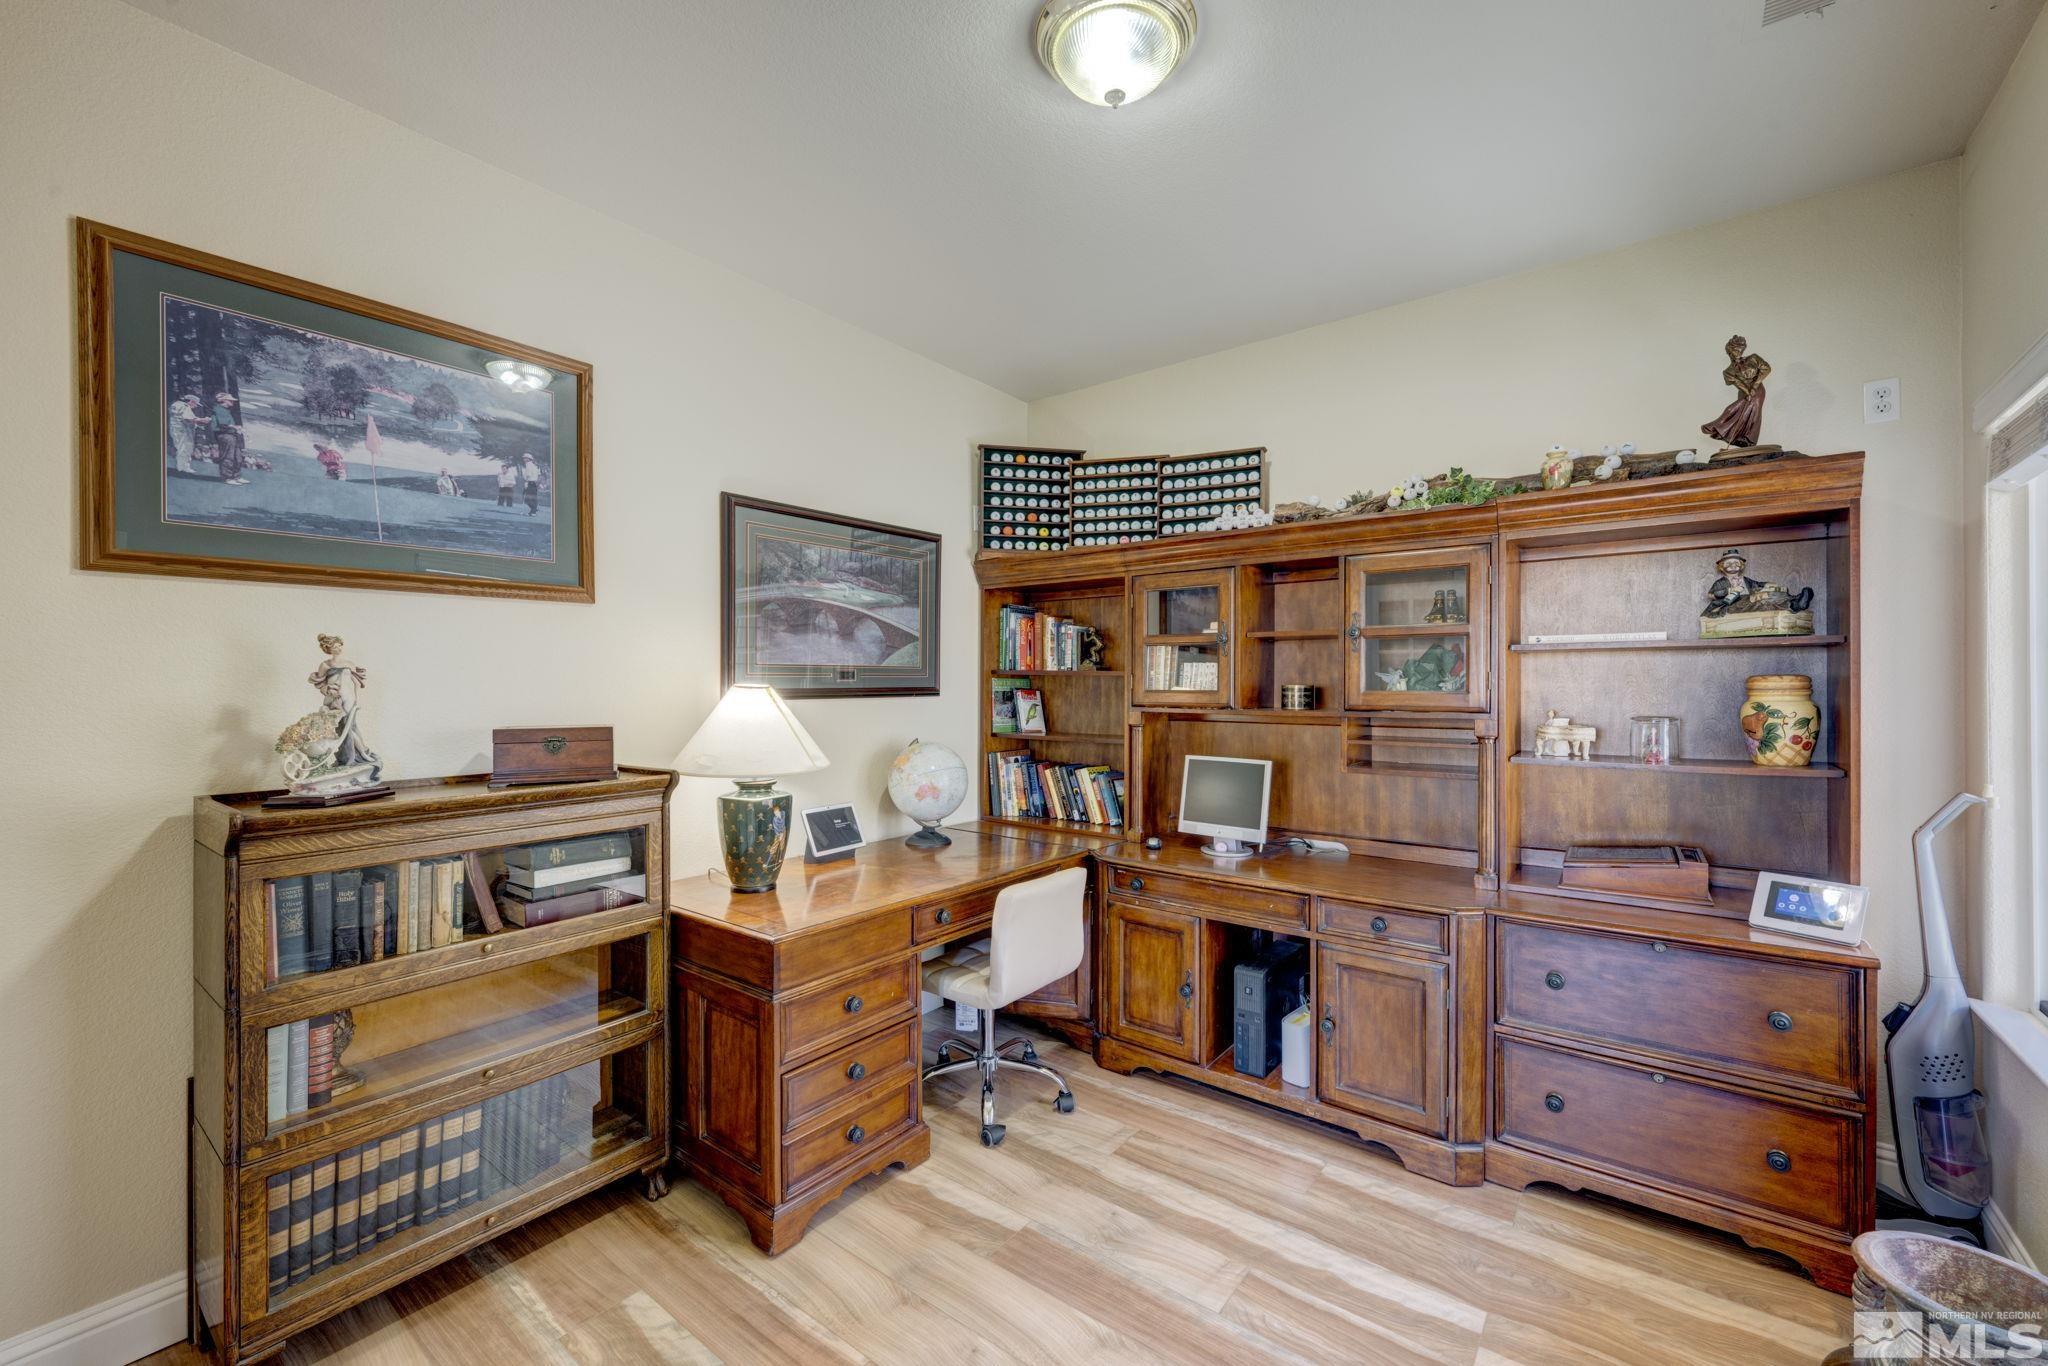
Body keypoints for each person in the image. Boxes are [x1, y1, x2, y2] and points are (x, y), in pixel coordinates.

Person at [210, 392, 248, 485]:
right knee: (228, 457)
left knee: (238, 457)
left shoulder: (226, 410)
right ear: (224, 401)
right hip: (225, 435)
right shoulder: (219, 409)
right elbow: (223, 425)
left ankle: (236, 476)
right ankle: (227, 477)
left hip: (231, 435)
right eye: (230, 400)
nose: (232, 402)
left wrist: (236, 428)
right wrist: (236, 427)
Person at [166, 393, 204, 474]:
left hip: (175, 429)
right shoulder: (185, 406)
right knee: (185, 448)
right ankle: (183, 468)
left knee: (180, 447)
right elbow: (188, 418)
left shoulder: (175, 404)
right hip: (183, 430)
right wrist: (202, 420)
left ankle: (181, 467)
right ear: (191, 401)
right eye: (195, 404)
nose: (196, 406)